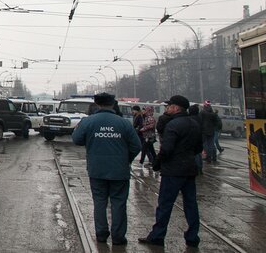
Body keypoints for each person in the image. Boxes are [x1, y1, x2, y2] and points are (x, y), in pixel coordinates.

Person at [72, 92, 141, 245]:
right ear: (113, 103)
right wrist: (126, 159)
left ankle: (101, 234)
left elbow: (76, 140)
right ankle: (118, 237)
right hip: (119, 170)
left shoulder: (88, 121)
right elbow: (136, 145)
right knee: (119, 202)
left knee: (99, 201)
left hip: (97, 169)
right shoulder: (123, 123)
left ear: (96, 104)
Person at [139, 95, 204, 248]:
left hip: (173, 171)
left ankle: (157, 236)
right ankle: (192, 237)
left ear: (176, 108)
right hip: (189, 170)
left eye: (169, 106)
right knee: (191, 204)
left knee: (165, 204)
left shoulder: (173, 125)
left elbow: (166, 148)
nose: (167, 108)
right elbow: (199, 148)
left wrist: (157, 162)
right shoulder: (194, 124)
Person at [188, 104, 203, 175]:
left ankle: (196, 168)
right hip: (200, 136)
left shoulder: (190, 119)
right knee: (198, 153)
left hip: (192, 137)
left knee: (194, 154)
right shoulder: (199, 118)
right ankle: (200, 167)